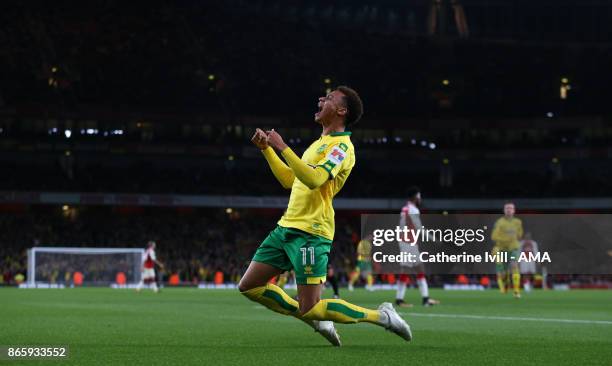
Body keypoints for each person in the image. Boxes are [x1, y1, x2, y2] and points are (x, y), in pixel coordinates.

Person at [238, 86, 412, 347]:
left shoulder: (342, 148)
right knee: (250, 286)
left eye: (329, 98)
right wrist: (267, 150)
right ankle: (316, 318)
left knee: (311, 306)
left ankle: (383, 316)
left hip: (311, 232)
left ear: (341, 111)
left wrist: (283, 146)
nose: (321, 99)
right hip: (286, 227)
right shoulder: (318, 144)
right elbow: (289, 179)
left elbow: (315, 178)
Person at [395, 187, 440, 307]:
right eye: (419, 196)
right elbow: (419, 228)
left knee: (419, 269)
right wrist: (433, 238)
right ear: (415, 197)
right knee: (407, 270)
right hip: (408, 242)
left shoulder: (405, 208)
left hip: (407, 242)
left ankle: (425, 299)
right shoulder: (413, 209)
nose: (420, 198)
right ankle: (399, 300)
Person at [491, 202, 523, 298]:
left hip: (513, 248)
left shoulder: (518, 222)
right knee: (502, 271)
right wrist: (506, 239)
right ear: (504, 210)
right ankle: (505, 284)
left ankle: (516, 291)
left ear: (514, 210)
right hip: (501, 249)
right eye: (507, 208)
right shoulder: (499, 222)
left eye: (511, 208)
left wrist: (513, 241)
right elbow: (493, 236)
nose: (509, 210)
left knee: (514, 264)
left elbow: (520, 235)